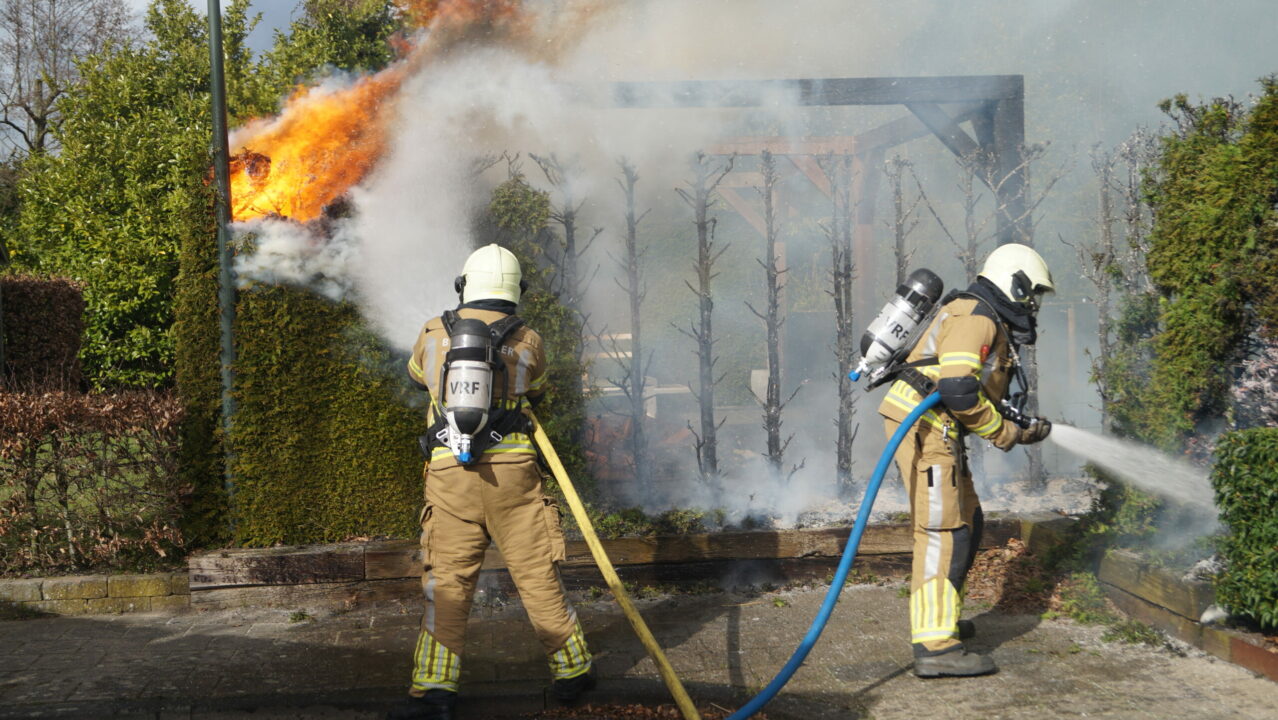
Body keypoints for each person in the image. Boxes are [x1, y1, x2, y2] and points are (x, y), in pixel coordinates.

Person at [391, 244, 593, 720]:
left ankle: (434, 691)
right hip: (513, 476)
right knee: (536, 573)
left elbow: (419, 376)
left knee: (448, 580)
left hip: (449, 475)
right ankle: (573, 672)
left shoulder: (432, 331)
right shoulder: (530, 340)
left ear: (463, 285)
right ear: (516, 291)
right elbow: (537, 389)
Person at [877, 243, 1054, 678]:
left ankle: (943, 622)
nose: (1033, 305)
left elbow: (968, 391)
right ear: (1015, 284)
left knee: (967, 522)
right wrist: (1003, 432)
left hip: (939, 429)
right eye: (1032, 294)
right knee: (944, 531)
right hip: (925, 430)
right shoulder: (976, 315)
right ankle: (935, 646)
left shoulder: (983, 316)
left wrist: (1016, 423)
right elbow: (957, 388)